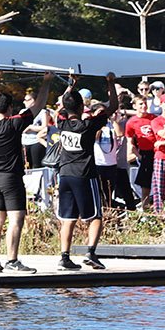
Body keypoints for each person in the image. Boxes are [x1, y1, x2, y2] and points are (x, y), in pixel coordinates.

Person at [0, 70, 55, 273]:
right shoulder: (14, 123)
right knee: (15, 220)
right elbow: (38, 106)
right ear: (10, 108)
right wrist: (46, 81)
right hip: (11, 179)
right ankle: (12, 260)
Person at [54, 74, 119, 271]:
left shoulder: (61, 122)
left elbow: (61, 106)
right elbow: (113, 106)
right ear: (83, 107)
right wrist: (110, 84)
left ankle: (64, 257)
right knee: (95, 216)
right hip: (84, 175)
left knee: (68, 218)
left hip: (64, 175)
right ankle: (91, 253)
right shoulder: (88, 125)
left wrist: (71, 84)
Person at [124, 97, 159, 206]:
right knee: (145, 183)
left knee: (160, 180)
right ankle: (145, 207)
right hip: (144, 153)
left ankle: (161, 205)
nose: (143, 106)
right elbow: (130, 141)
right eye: (140, 104)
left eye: (145, 103)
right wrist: (137, 155)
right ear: (134, 106)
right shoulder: (131, 122)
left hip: (158, 152)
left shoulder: (154, 118)